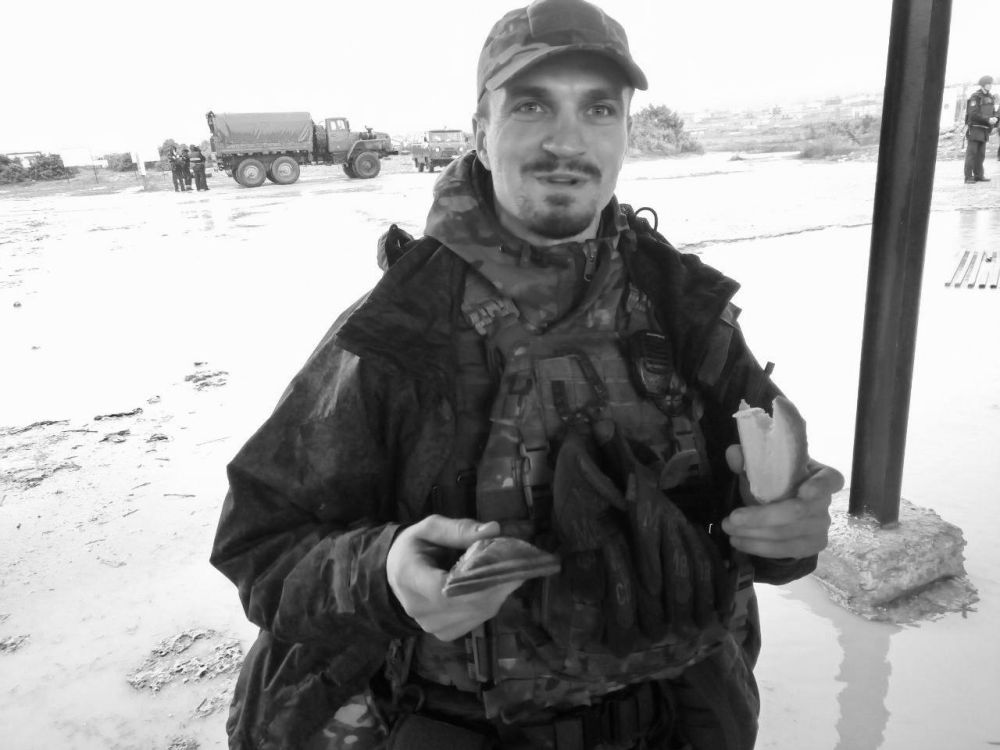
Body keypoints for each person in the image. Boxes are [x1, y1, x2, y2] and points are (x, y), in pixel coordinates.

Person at [210, 1, 843, 748]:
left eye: (598, 109)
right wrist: (384, 574)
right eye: (531, 105)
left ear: (626, 133)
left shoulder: (684, 309)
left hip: (678, 717)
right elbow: (261, 543)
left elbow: (770, 513)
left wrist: (790, 531)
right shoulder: (400, 329)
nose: (566, 140)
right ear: (480, 133)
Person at [964, 75, 997, 183]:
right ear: (983, 84)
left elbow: (992, 111)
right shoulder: (975, 97)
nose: (990, 85)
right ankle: (968, 177)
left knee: (981, 155)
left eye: (991, 83)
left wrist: (995, 118)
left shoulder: (991, 97)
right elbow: (973, 114)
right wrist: (988, 119)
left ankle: (979, 175)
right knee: (971, 154)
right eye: (988, 83)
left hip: (984, 129)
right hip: (975, 129)